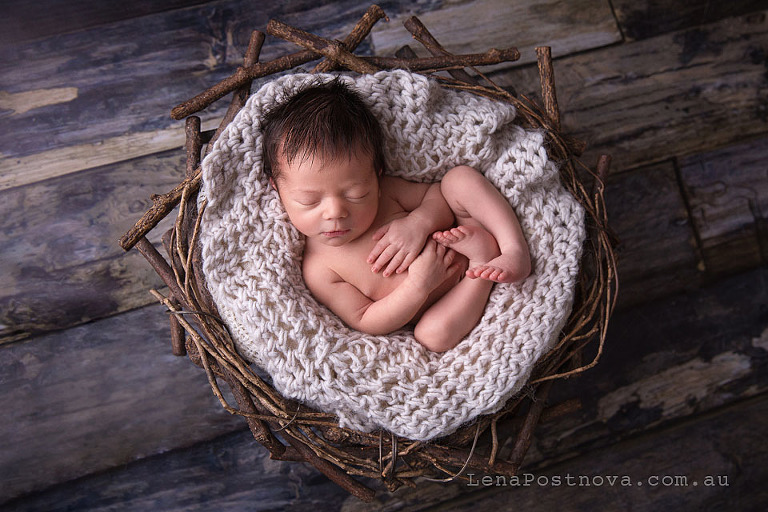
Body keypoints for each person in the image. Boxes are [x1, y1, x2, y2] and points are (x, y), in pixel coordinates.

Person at [262, 78, 530, 352]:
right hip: (449, 301)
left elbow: (436, 195)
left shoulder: (387, 193)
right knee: (432, 336)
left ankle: (513, 248)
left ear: (377, 179)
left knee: (457, 180)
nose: (335, 212)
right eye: (309, 201)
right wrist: (418, 286)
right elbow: (366, 318)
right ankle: (482, 264)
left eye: (356, 194)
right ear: (278, 189)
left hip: (464, 228)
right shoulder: (319, 269)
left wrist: (419, 222)